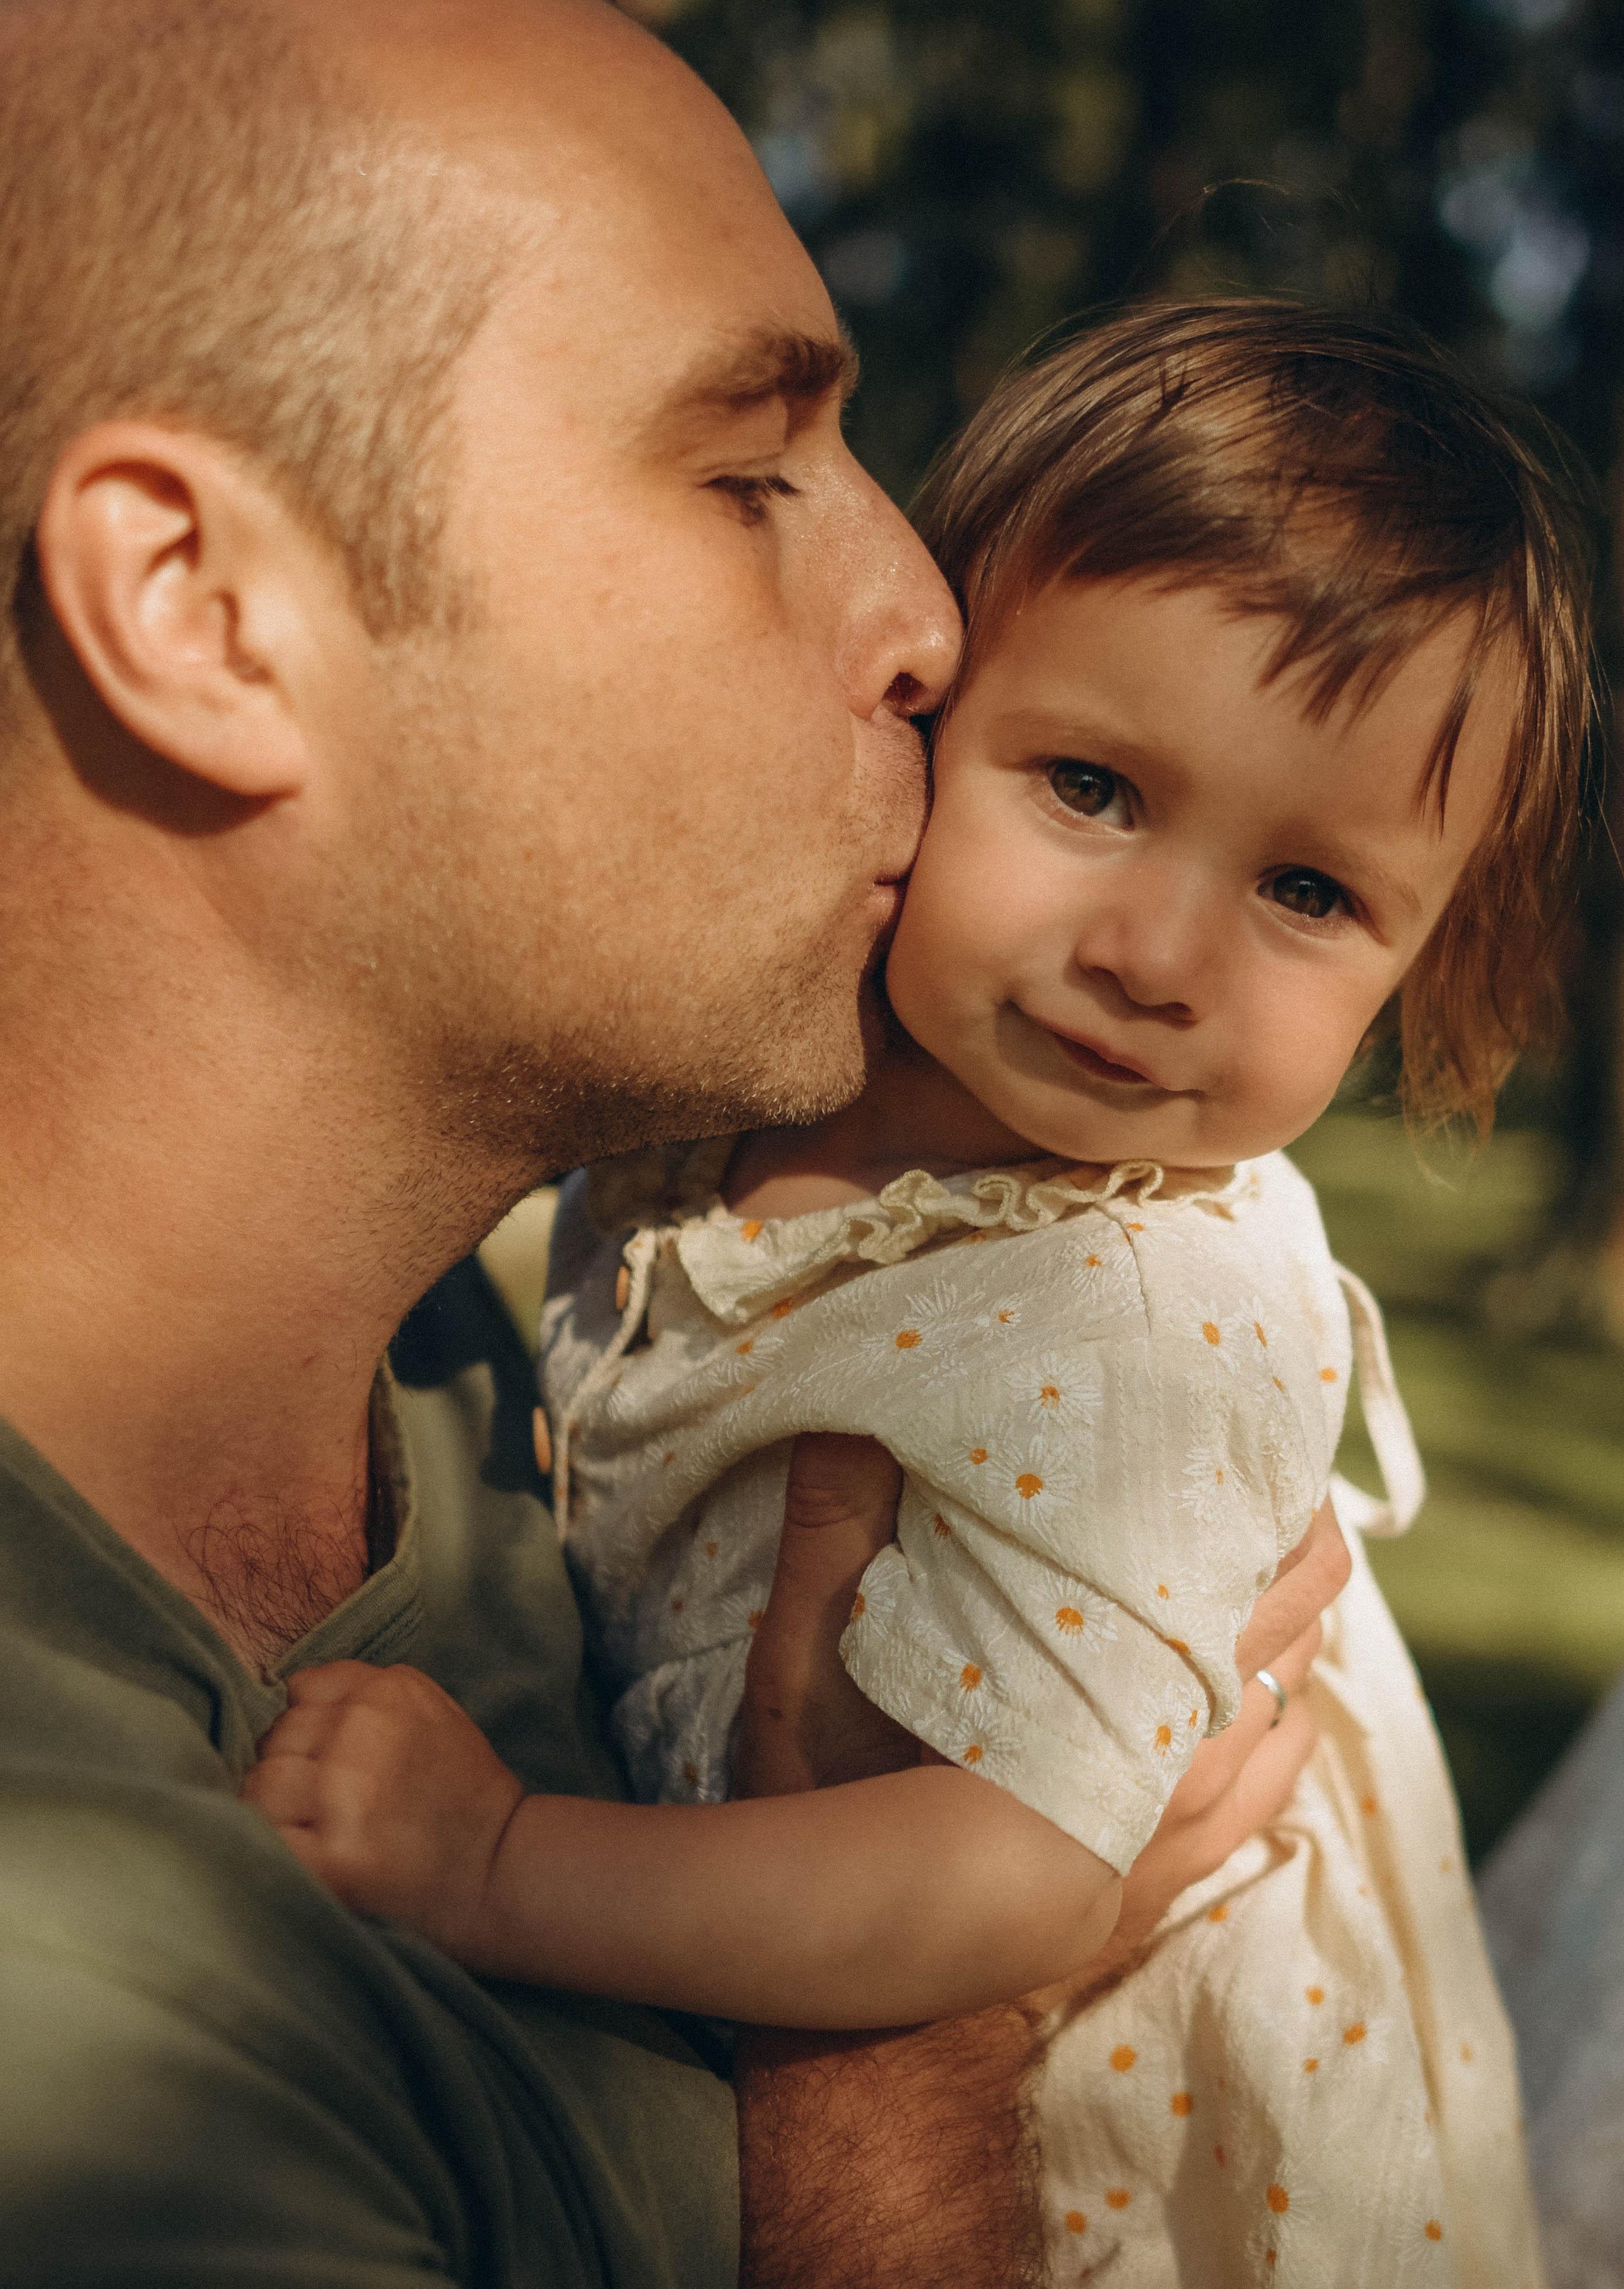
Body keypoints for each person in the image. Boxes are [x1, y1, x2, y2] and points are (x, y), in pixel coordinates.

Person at [0, 2, 1349, 2282]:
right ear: (205, 613)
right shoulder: (79, 2011)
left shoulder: (489, 1340)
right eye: (751, 476)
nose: (933, 619)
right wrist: (920, 1995)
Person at [252, 305, 1594, 2284]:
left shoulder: (1144, 1310)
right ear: (930, 713)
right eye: (1093, 789)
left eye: (1311, 896)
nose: (1157, 954)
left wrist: (500, 1867)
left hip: (1142, 2181)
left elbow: (1003, 1884)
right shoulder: (728, 1106)